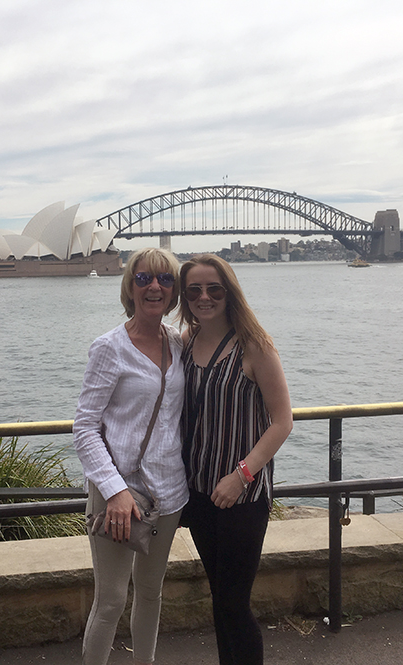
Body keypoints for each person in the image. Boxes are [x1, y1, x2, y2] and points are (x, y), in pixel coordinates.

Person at [73, 247, 188, 665]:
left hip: (168, 493)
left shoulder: (178, 344)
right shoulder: (109, 347)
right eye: (143, 279)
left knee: (152, 593)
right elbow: (84, 427)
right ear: (130, 287)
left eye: (164, 279)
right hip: (117, 496)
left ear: (174, 291)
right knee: (111, 600)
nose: (154, 286)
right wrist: (115, 490)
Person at [178, 254, 292, 665]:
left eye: (214, 289)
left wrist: (241, 475)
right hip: (199, 493)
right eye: (194, 289)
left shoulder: (254, 346)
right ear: (184, 295)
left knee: (235, 601)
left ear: (229, 293)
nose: (204, 297)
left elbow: (282, 421)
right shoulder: (187, 342)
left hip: (241, 498)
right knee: (219, 596)